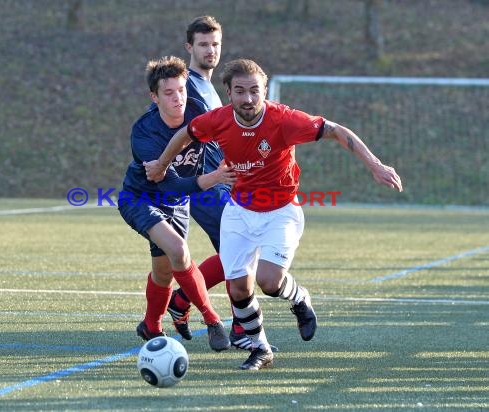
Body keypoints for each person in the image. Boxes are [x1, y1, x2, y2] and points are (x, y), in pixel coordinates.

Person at [145, 58, 403, 370]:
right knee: (239, 286)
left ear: (264, 91)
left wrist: (375, 164)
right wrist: (161, 163)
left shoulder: (284, 119)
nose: (248, 98)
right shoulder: (218, 120)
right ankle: (261, 348)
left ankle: (299, 298)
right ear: (228, 93)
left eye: (255, 91)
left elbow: (335, 130)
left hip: (281, 211)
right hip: (239, 211)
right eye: (240, 91)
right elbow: (186, 133)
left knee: (268, 281)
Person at [117, 55, 236, 352]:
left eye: (181, 90)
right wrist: (213, 179)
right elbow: (167, 182)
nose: (177, 98)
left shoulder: (199, 113)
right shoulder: (144, 132)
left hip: (178, 204)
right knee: (179, 250)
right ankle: (212, 321)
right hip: (141, 198)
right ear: (154, 97)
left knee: (164, 272)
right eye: (168, 93)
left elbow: (231, 138)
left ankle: (151, 326)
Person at [161, 15, 260, 351]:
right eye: (203, 44)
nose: (210, 50)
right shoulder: (187, 88)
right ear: (189, 47)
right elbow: (177, 133)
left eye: (215, 44)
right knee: (240, 249)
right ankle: (241, 330)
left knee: (238, 250)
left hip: (223, 180)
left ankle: (182, 300)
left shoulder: (208, 86)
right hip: (204, 184)